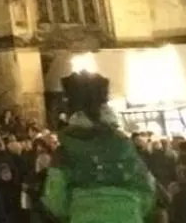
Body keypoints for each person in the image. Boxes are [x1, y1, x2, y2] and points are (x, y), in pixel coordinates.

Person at [40, 72, 156, 223]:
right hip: (128, 213)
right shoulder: (123, 145)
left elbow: (55, 201)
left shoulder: (64, 152)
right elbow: (147, 189)